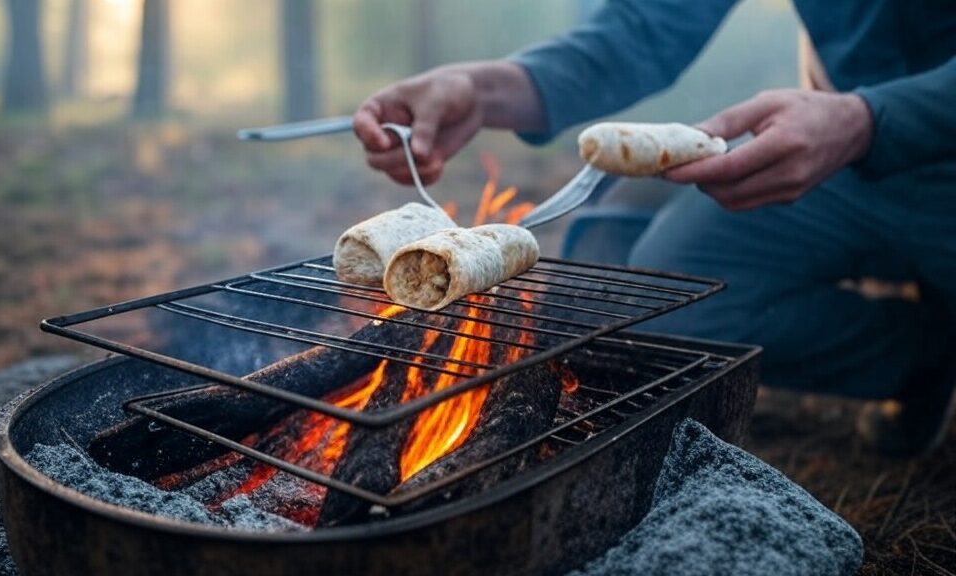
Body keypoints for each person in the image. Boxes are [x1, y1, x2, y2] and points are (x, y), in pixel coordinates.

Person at [350, 1, 956, 456]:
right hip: (840, 153)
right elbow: (648, 24)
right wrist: (482, 90)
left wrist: (872, 120)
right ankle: (927, 359)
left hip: (895, 137)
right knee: (676, 302)